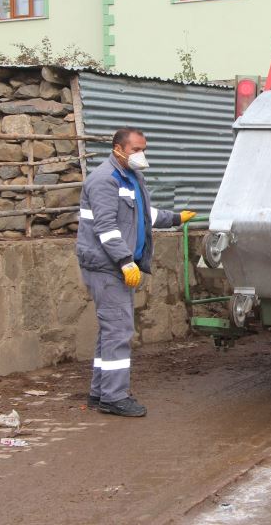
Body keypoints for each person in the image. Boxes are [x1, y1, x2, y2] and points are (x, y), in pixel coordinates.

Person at [76, 127, 196, 417]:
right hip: (107, 266)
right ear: (118, 149)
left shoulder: (132, 176)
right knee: (118, 330)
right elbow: (106, 228)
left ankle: (100, 392)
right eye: (136, 149)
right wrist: (125, 261)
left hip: (116, 265)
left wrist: (175, 218)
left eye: (144, 149)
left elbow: (143, 214)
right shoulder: (105, 180)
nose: (141, 155)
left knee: (111, 330)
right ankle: (114, 397)